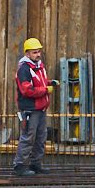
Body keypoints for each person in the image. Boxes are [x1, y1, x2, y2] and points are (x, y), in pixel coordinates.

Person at [12, 38, 58, 177]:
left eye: (39, 52)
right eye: (34, 52)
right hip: (30, 109)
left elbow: (40, 83)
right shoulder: (24, 70)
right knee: (27, 137)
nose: (38, 54)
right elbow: (27, 90)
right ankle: (19, 165)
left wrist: (50, 83)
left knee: (41, 138)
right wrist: (46, 90)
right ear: (27, 54)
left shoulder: (39, 66)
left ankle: (35, 163)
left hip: (41, 108)